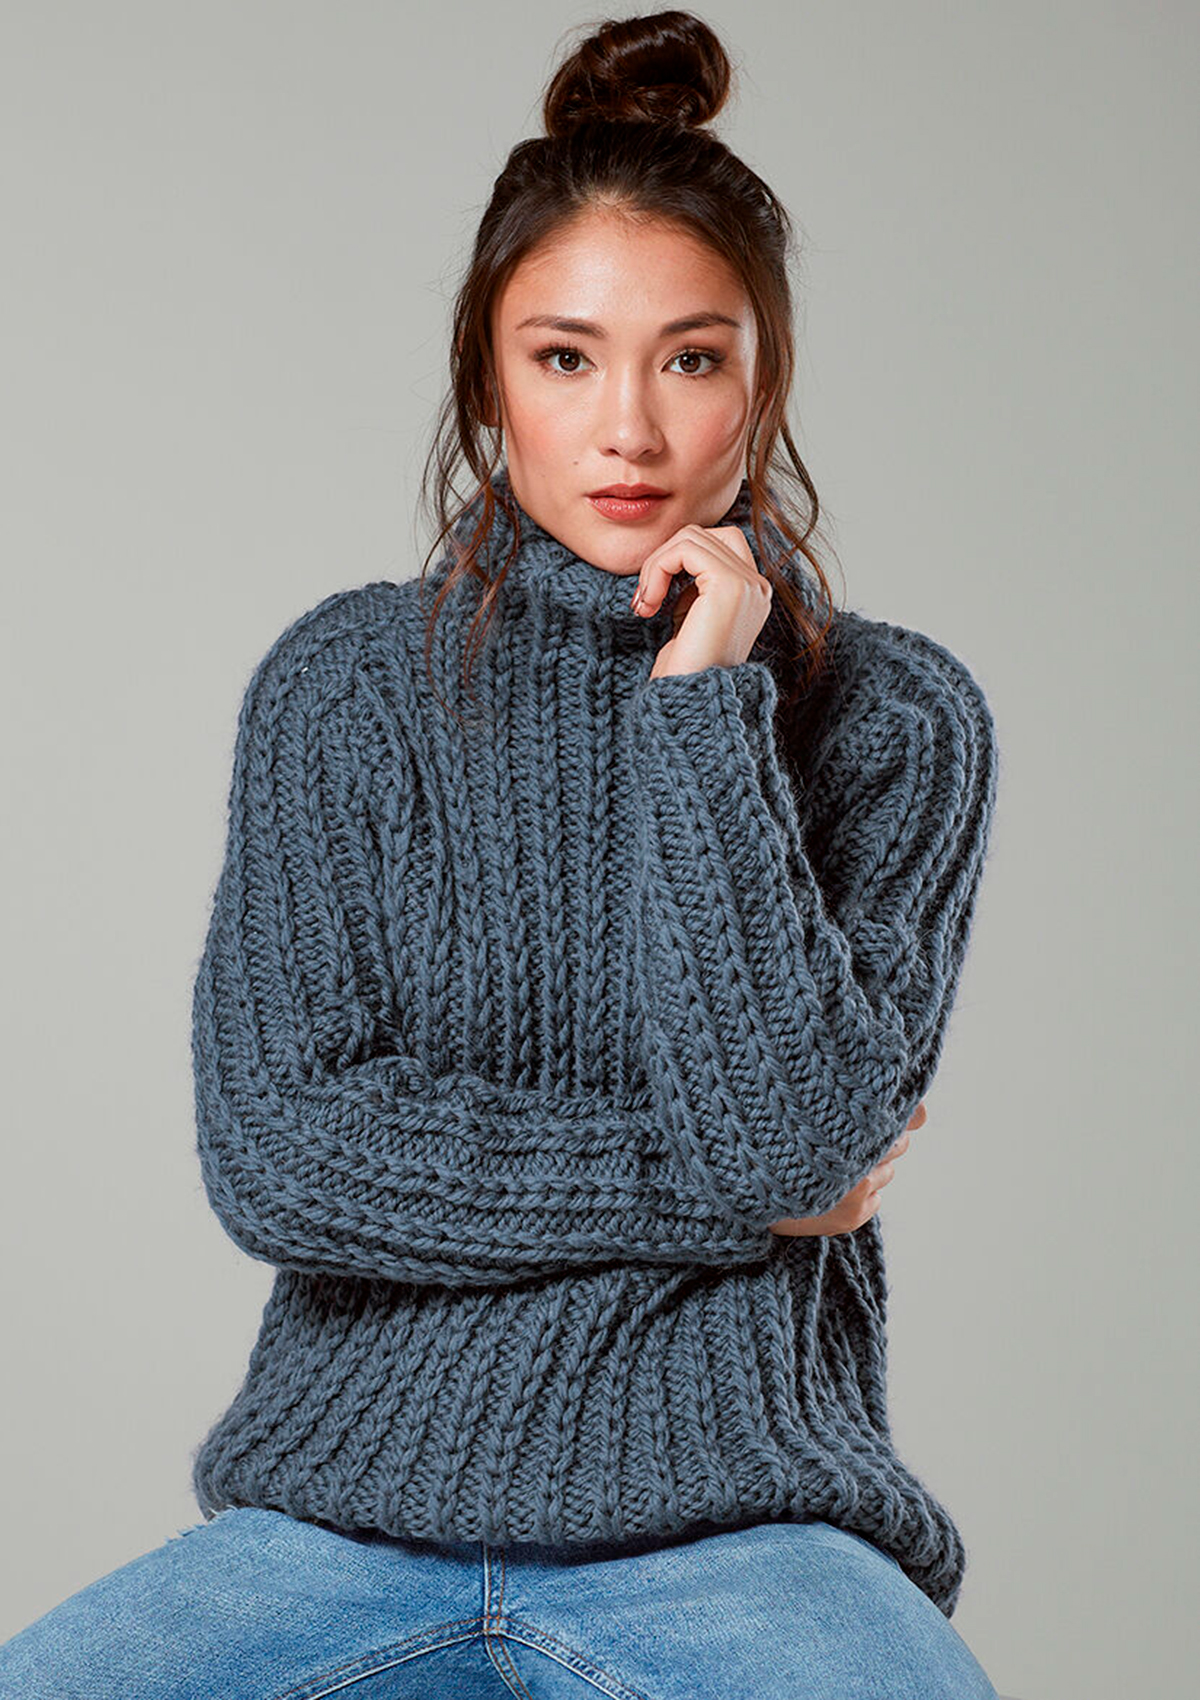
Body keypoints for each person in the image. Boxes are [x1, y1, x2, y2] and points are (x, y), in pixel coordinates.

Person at [0, 11, 1003, 1697]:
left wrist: (705, 706)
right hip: (341, 1516)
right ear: (488, 379)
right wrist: (731, 1199)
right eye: (566, 358)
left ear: (763, 383)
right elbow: (284, 1156)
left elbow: (789, 1128)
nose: (631, 429)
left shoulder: (895, 719)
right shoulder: (347, 688)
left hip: (742, 1531)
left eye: (693, 360)